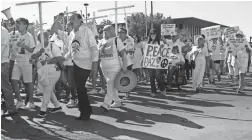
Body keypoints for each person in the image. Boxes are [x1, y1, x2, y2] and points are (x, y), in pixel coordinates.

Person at [69, 13, 98, 120]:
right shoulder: (71, 34)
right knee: (79, 89)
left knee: (80, 88)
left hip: (85, 64)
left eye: (73, 18)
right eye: (70, 18)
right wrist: (63, 58)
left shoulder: (87, 31)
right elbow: (70, 50)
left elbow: (94, 48)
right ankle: (85, 111)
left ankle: (85, 112)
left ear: (80, 20)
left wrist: (94, 63)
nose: (71, 20)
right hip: (75, 64)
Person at [32, 32, 64, 117]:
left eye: (44, 36)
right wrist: (39, 53)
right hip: (42, 71)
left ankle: (43, 110)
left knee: (47, 88)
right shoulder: (38, 47)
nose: (42, 39)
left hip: (53, 70)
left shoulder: (53, 45)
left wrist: (48, 61)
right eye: (40, 37)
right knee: (48, 89)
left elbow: (60, 58)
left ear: (47, 37)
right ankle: (57, 106)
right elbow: (31, 58)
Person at [98, 25, 128, 111]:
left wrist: (124, 65)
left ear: (111, 31)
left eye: (107, 30)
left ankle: (106, 103)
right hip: (104, 67)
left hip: (114, 67)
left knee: (110, 83)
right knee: (112, 85)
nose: (105, 32)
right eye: (104, 31)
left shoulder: (116, 40)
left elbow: (123, 53)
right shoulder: (101, 41)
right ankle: (117, 101)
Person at [11, 18, 36, 109]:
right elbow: (13, 46)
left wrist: (23, 46)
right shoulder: (15, 35)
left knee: (28, 82)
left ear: (25, 25)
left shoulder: (29, 36)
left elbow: (32, 49)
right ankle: (20, 100)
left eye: (20, 24)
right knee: (13, 80)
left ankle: (31, 102)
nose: (18, 25)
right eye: (17, 24)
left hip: (26, 62)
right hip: (17, 61)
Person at [57, 22, 78, 108]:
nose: (66, 28)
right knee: (66, 81)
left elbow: (72, 50)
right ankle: (72, 96)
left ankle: (74, 98)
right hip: (65, 63)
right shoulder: (65, 36)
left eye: (68, 26)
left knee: (71, 82)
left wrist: (64, 57)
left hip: (71, 63)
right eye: (66, 27)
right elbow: (54, 29)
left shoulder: (75, 36)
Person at [1, 26, 17, 117]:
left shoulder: (3, 31)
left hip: (2, 63)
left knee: (5, 87)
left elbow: (2, 48)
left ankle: (11, 108)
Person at [146, 29, 166, 97]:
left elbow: (165, 50)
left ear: (156, 35)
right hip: (151, 62)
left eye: (154, 34)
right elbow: (146, 52)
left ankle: (162, 90)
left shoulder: (160, 42)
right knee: (151, 77)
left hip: (157, 62)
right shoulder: (149, 42)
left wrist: (164, 42)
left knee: (158, 77)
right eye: (151, 34)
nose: (152, 35)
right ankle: (153, 91)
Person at [118, 27, 134, 100]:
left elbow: (130, 51)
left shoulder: (129, 42)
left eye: (122, 32)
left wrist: (123, 52)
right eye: (119, 32)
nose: (120, 34)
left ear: (125, 34)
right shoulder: (117, 41)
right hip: (118, 63)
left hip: (127, 63)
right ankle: (118, 93)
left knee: (127, 78)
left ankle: (127, 94)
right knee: (118, 78)